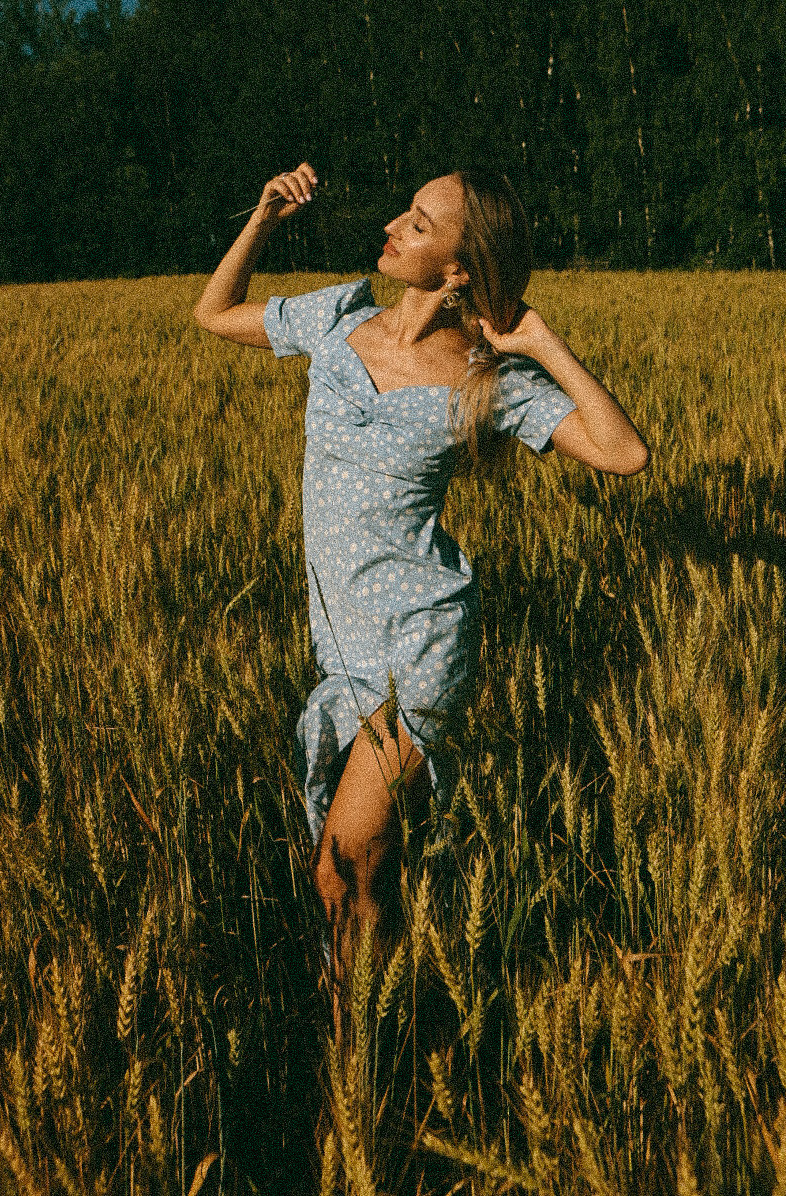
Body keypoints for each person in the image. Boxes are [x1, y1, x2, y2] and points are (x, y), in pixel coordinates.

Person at [194, 162, 649, 1024]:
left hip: (418, 642)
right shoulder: (337, 317)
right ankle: (371, 1038)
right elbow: (213, 314)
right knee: (352, 874)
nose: (395, 226)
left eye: (419, 222)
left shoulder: (489, 380)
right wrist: (261, 218)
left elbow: (624, 453)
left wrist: (542, 343)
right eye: (404, 212)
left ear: (460, 265)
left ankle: (359, 1052)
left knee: (347, 858)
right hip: (341, 645)